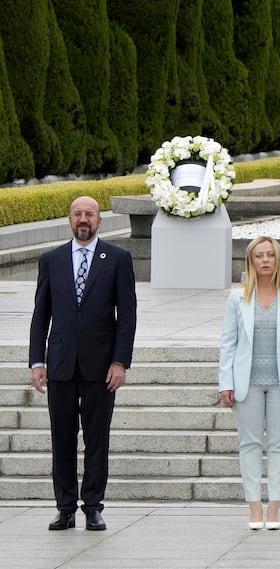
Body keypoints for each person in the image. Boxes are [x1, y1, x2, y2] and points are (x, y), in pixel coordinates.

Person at [29, 196, 138, 532]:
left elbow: (127, 316)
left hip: (100, 366)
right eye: (78, 214)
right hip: (60, 365)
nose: (83, 219)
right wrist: (37, 360)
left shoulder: (118, 259)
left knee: (96, 438)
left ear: (100, 221)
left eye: (89, 214)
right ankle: (65, 508)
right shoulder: (51, 260)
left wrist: (120, 361)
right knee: (62, 438)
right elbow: (40, 314)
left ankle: (92, 506)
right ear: (69, 220)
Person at [218, 236, 280, 530]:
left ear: (278, 259)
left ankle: (274, 507)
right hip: (246, 381)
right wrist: (225, 382)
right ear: (250, 261)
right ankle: (253, 507)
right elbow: (228, 344)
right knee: (249, 443)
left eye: (270, 255)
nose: (265, 260)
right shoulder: (237, 298)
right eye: (259, 255)